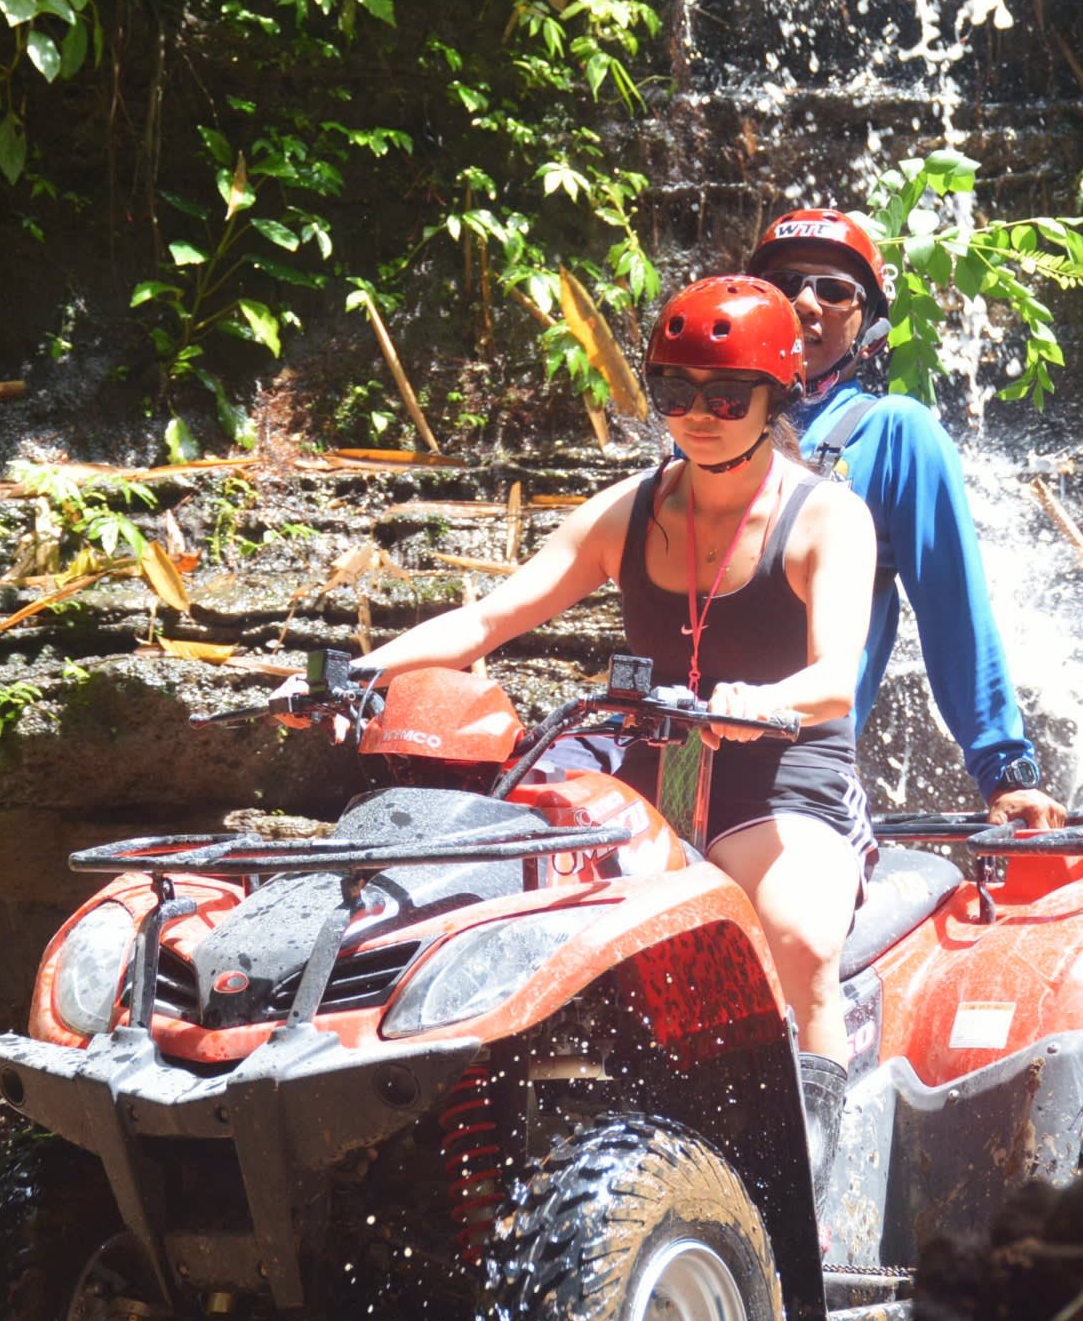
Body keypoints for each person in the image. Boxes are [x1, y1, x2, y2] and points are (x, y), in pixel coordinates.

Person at [279, 275, 878, 1065]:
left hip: (779, 783)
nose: (699, 415)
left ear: (777, 396)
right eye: (676, 392)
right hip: (647, 777)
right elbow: (487, 620)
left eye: (728, 397)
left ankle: (826, 1137)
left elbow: (835, 679)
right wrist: (356, 674)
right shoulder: (628, 510)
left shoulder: (827, 516)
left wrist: (757, 701)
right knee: (506, 912)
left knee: (799, 943)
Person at [745, 208, 1068, 830]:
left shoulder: (894, 434)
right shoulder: (705, 423)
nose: (806, 303)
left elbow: (953, 610)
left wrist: (1005, 773)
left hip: (793, 773)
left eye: (833, 290)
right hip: (679, 748)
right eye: (785, 285)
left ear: (869, 326)